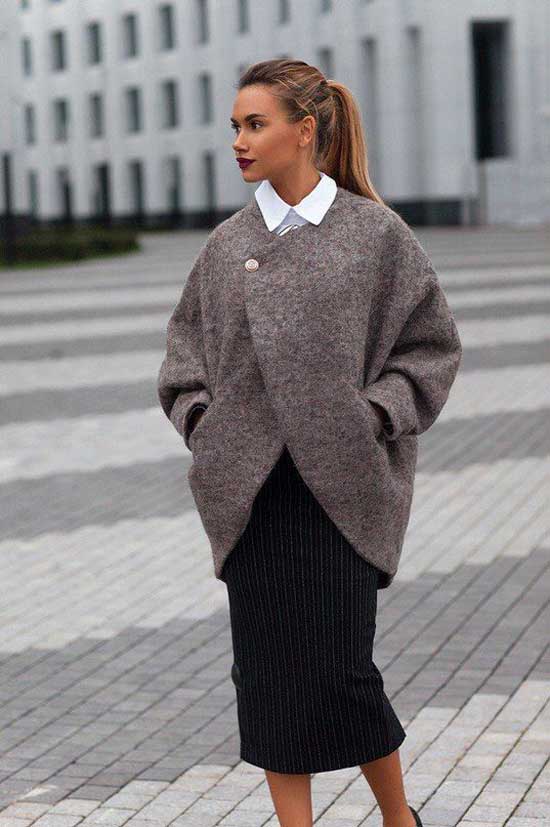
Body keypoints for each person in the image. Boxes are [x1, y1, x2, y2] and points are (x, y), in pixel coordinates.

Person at [158, 58, 462, 827]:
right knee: (264, 677)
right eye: (234, 126)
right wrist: (205, 425)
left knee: (340, 670)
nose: (239, 140)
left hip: (343, 486)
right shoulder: (227, 245)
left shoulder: (374, 234)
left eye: (255, 124)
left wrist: (377, 415)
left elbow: (430, 345)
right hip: (251, 492)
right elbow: (182, 359)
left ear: (306, 131)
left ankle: (399, 818)